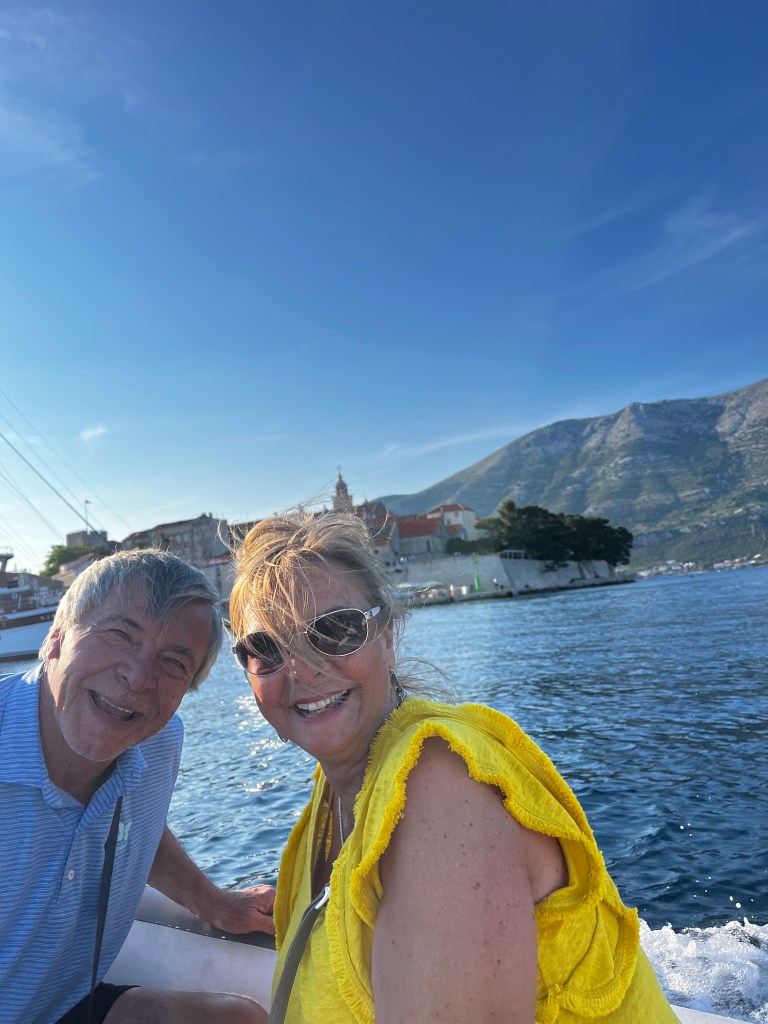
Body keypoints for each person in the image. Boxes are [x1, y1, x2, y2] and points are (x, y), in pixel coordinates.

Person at [228, 508, 679, 1024]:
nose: (302, 669)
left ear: (387, 637)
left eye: (335, 630)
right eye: (265, 648)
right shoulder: (333, 794)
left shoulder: (439, 792)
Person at [0, 548, 274, 1024]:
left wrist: (213, 902)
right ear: (57, 637)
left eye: (174, 662)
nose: (139, 676)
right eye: (119, 634)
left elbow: (139, 824)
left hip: (64, 1005)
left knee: (240, 1018)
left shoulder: (158, 743)